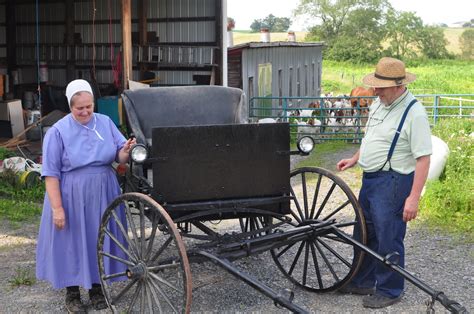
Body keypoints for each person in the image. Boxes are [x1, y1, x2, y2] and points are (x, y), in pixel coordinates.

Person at [336, 57, 432, 309]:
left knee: (389, 236)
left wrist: (413, 198)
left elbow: (423, 158)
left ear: (399, 85)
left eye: (381, 86)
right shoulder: (379, 103)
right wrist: (355, 158)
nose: (375, 90)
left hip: (394, 182)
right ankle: (363, 280)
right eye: (375, 85)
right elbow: (371, 137)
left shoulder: (415, 113)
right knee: (364, 232)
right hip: (370, 179)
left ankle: (390, 290)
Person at [36, 79, 136, 312]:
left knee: (98, 238)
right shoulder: (58, 131)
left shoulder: (105, 122)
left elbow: (119, 157)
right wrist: (57, 208)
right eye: (79, 108)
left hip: (103, 191)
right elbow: (50, 174)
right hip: (71, 194)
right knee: (71, 241)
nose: (85, 111)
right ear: (70, 106)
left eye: (89, 106)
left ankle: (96, 288)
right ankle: (72, 294)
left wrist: (125, 151)